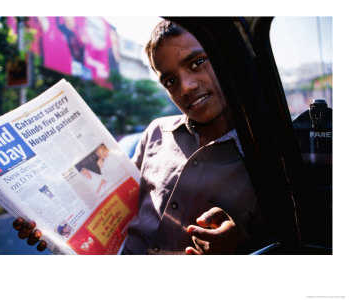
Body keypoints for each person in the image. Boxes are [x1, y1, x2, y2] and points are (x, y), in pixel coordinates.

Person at [14, 20, 266, 254]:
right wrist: (51, 225)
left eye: (197, 63)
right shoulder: (156, 133)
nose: (186, 87)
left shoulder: (269, 149)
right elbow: (113, 204)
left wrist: (241, 241)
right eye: (170, 81)